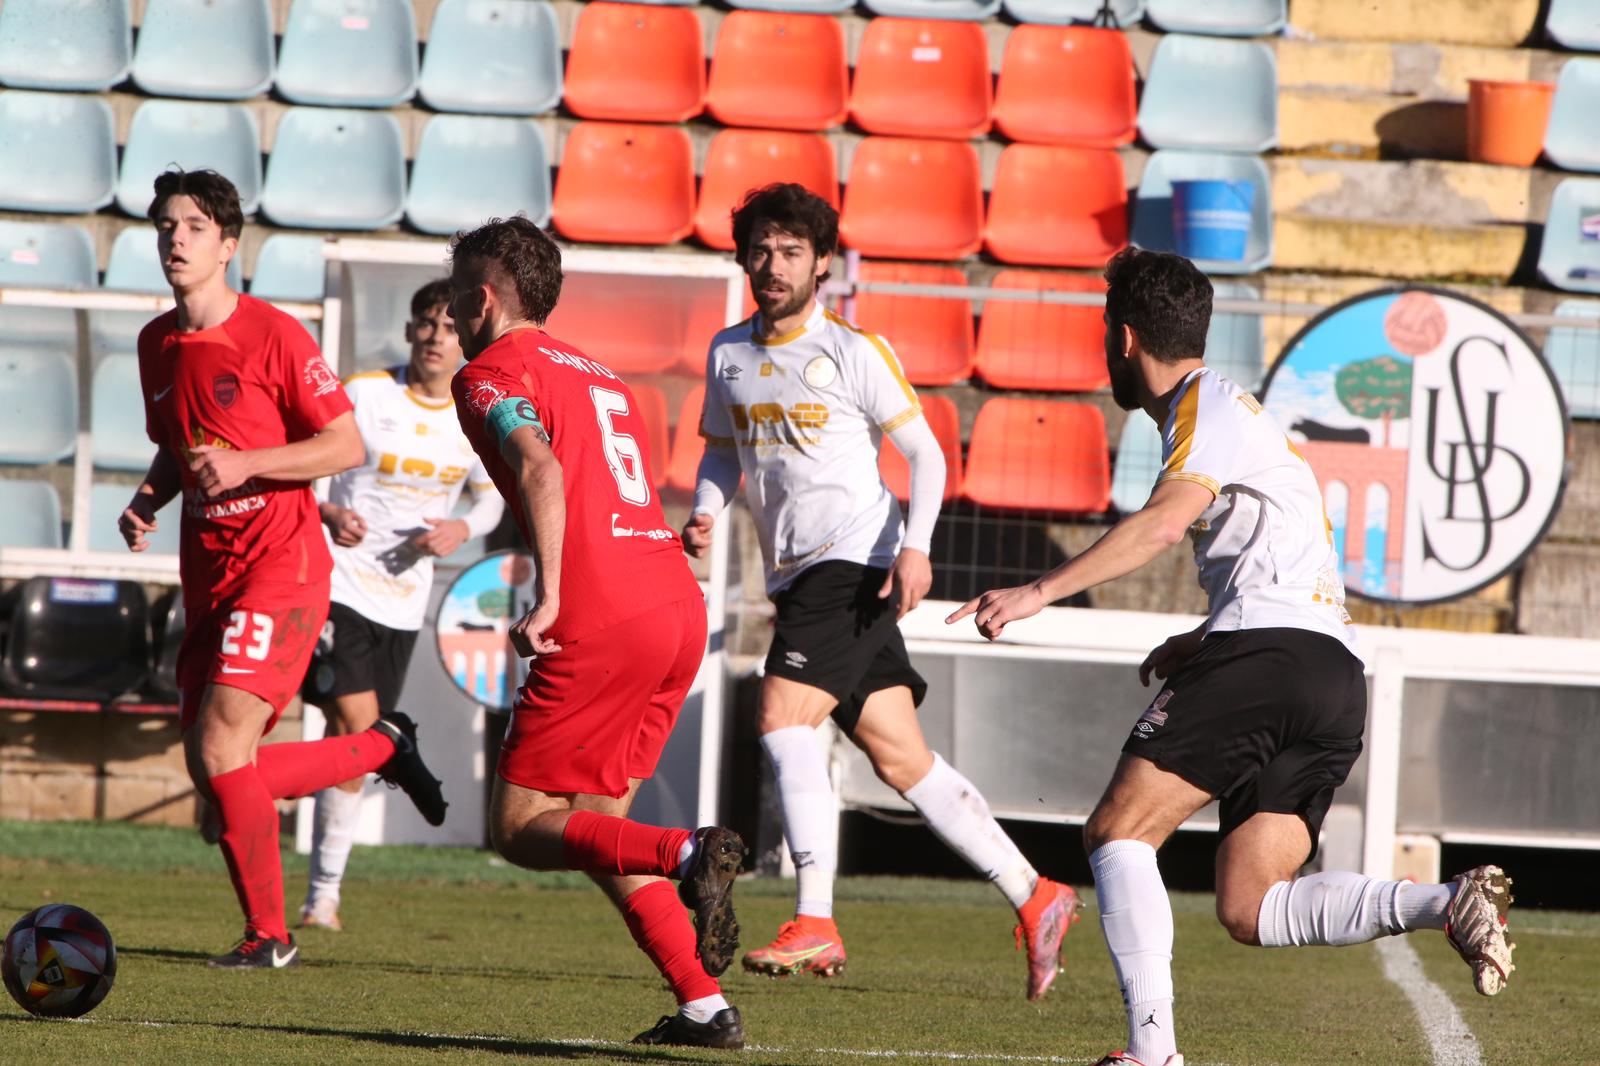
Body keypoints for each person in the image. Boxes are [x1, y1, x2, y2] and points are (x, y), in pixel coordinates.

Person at [948, 247, 1516, 1066]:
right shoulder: (1235, 414)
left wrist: (1035, 593)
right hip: (1329, 674)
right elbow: (1278, 555)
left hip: (1272, 655)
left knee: (1118, 831)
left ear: (1125, 339)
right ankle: (1446, 901)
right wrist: (1207, 637)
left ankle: (1153, 1054)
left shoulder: (1201, 408)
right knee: (1251, 905)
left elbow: (1161, 525)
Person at [683, 183, 1080, 1001]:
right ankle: (1036, 893)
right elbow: (726, 452)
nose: (773, 265)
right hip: (797, 576)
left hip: (853, 562)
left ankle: (815, 919)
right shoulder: (729, 353)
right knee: (902, 758)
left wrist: (916, 548)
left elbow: (926, 456)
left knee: (781, 716)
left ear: (823, 263)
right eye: (760, 249)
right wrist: (705, 510)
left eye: (791, 251)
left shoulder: (854, 350)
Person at [118, 168, 447, 969]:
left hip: (282, 566)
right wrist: (148, 499)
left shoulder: (273, 334)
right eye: (166, 226)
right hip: (210, 573)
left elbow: (344, 445)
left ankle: (270, 935)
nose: (176, 239)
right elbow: (178, 439)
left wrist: (250, 464)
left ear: (229, 246)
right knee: (214, 773)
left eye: (194, 227)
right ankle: (379, 749)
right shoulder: (154, 342)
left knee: (226, 749)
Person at [447, 216, 748, 1049]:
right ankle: (703, 1005)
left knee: (520, 827)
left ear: (481, 298)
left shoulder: (487, 373)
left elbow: (541, 467)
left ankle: (690, 851)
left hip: (599, 613)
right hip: (674, 607)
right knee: (597, 825)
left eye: (454, 294)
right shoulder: (602, 376)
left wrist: (549, 594)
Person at [297, 279, 505, 932]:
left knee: (349, 743)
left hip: (403, 605)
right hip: (339, 586)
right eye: (425, 324)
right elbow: (309, 463)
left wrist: (461, 530)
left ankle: (323, 894)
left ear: (462, 336)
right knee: (354, 725)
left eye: (449, 326)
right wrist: (328, 510)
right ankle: (396, 752)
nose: (437, 336)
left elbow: (491, 495)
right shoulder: (365, 393)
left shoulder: (473, 413)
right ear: (411, 331)